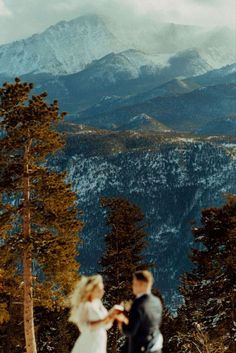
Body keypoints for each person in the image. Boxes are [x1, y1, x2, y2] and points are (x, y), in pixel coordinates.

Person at [68, 274, 118, 353]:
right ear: (91, 290)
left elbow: (107, 325)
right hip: (89, 343)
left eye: (103, 289)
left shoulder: (99, 304)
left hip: (100, 343)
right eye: (99, 290)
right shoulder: (84, 305)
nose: (102, 292)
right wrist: (104, 320)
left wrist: (112, 314)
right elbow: (83, 327)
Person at [117, 270, 163, 353]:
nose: (132, 286)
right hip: (154, 346)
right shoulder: (157, 301)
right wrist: (132, 309)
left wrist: (121, 320)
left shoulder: (138, 304)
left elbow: (130, 331)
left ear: (142, 284)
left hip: (140, 348)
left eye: (134, 283)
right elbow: (147, 320)